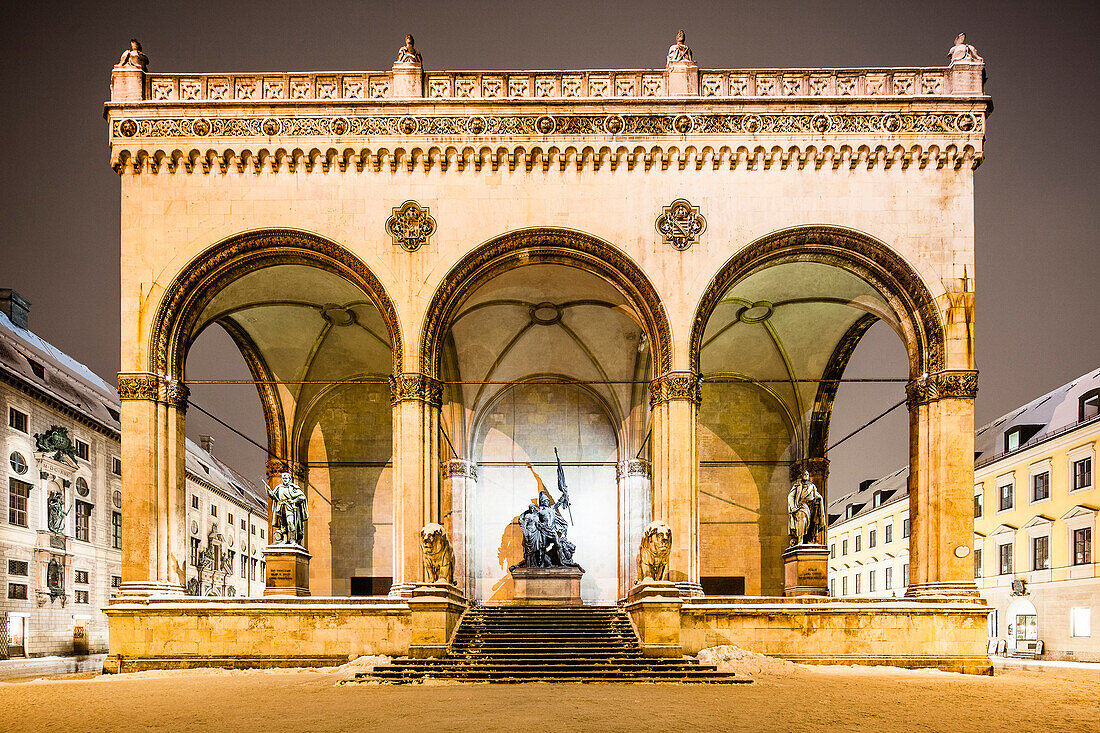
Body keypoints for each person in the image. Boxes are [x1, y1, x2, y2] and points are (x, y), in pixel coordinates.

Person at [269, 472, 308, 546]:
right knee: (283, 524)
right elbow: (274, 496)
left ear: (289, 479)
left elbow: (302, 497)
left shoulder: (293, 487)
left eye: (286, 478)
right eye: (283, 478)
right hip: (281, 507)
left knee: (290, 522)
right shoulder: (279, 487)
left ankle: (293, 540)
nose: (285, 480)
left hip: (289, 507)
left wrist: (294, 501)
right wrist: (270, 494)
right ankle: (285, 539)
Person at [788, 470, 824, 546]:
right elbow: (790, 496)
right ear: (801, 475)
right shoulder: (797, 485)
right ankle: (800, 539)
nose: (806, 475)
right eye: (804, 474)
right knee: (802, 520)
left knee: (812, 523)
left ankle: (809, 539)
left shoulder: (812, 486)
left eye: (807, 474)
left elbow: (816, 495)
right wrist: (793, 507)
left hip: (811, 506)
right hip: (801, 506)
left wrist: (820, 498)